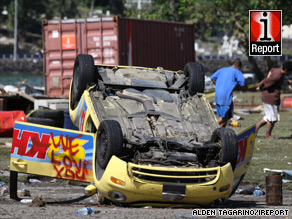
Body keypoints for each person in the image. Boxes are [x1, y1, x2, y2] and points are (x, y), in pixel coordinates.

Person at [255, 61, 292, 139]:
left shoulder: (277, 71)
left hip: (269, 97)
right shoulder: (277, 76)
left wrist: (288, 82)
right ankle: (268, 135)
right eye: (290, 71)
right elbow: (264, 81)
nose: (290, 73)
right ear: (286, 69)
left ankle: (255, 128)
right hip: (270, 98)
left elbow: (271, 70)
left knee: (269, 117)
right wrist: (260, 87)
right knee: (272, 118)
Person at [211, 59, 245, 127]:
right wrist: (236, 87)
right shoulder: (237, 71)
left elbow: (212, 78)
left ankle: (221, 133)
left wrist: (218, 85)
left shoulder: (222, 70)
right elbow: (242, 83)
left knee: (223, 116)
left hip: (217, 95)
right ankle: (211, 127)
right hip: (226, 96)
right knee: (226, 116)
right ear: (238, 66)